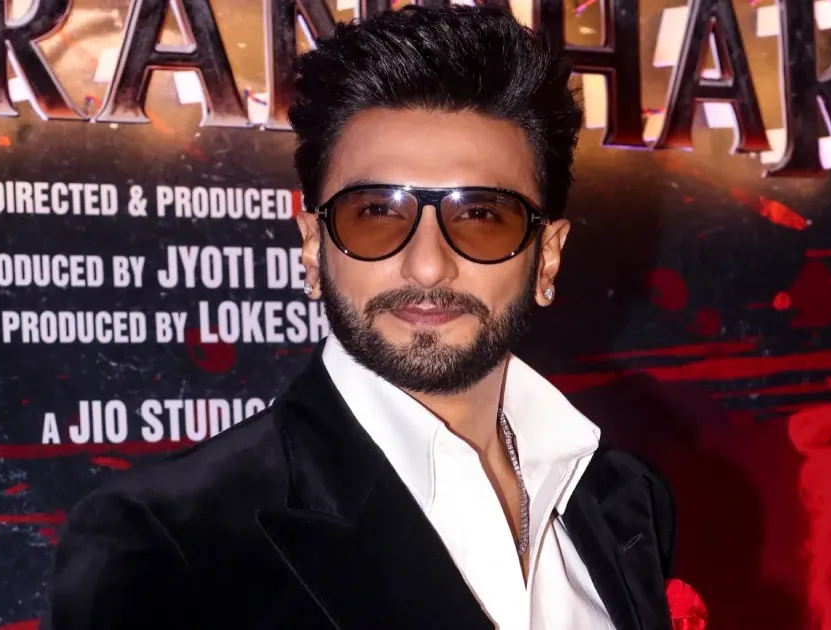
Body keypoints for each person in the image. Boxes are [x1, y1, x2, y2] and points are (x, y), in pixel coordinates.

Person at [48, 5, 676, 629]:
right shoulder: (169, 542)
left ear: (547, 258)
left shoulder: (622, 500)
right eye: (375, 214)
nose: (427, 267)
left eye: (481, 216)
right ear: (313, 249)